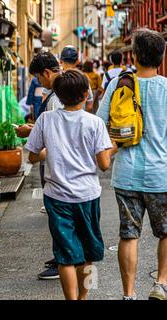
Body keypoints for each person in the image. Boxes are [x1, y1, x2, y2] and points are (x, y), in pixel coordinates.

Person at [26, 69, 115, 300]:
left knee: (65, 255)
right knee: (89, 253)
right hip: (87, 195)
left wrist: (50, 151)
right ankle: (84, 297)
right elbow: (104, 164)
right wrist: (114, 145)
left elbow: (32, 156)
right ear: (87, 94)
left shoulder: (46, 119)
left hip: (56, 197)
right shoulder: (95, 122)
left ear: (57, 94)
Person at [97, 28, 167, 301]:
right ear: (161, 58)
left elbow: (99, 125)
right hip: (161, 175)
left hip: (126, 174)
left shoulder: (118, 85)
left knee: (129, 235)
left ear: (135, 56)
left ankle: (128, 294)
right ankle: (161, 284)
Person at [16, 51, 63, 280]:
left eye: (39, 78)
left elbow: (56, 132)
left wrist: (30, 131)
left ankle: (63, 260)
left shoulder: (56, 96)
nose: (40, 83)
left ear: (46, 73)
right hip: (57, 162)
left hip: (55, 163)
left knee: (58, 213)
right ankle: (61, 256)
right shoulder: (61, 91)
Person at [59, 46, 94, 113]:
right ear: (77, 61)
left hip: (57, 121)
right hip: (80, 121)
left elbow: (45, 101)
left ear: (60, 61)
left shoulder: (55, 79)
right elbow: (90, 105)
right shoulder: (83, 78)